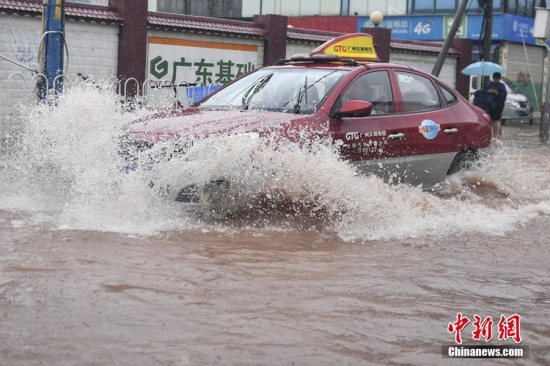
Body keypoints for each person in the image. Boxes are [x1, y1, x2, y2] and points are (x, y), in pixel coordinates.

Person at [485, 72, 507, 140]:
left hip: (498, 106)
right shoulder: (489, 85)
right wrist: (489, 91)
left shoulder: (501, 86)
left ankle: (496, 136)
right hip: (490, 105)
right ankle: (491, 134)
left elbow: (503, 96)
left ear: (499, 79)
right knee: (490, 120)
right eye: (494, 78)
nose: (495, 80)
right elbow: (485, 93)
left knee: (496, 120)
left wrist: (496, 93)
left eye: (496, 79)